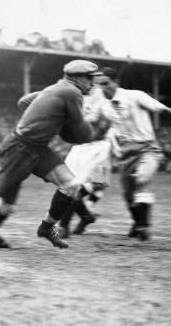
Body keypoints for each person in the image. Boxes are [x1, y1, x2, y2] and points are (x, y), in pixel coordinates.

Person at [0, 59, 105, 249]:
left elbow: (23, 102)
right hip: (19, 149)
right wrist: (97, 131)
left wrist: (50, 117)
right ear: (76, 77)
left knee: (71, 185)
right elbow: (81, 133)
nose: (92, 83)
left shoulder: (55, 88)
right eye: (89, 78)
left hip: (37, 148)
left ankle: (46, 227)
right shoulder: (72, 92)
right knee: (6, 205)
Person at [92, 67, 171, 241]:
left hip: (148, 149)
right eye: (99, 86)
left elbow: (162, 108)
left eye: (106, 84)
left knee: (141, 179)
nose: (103, 89)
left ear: (115, 82)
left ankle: (143, 226)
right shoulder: (104, 107)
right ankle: (137, 223)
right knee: (127, 194)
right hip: (125, 154)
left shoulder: (135, 96)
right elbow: (99, 126)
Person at [57, 86, 121, 238]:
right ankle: (85, 216)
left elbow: (107, 124)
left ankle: (64, 225)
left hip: (96, 149)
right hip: (80, 148)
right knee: (67, 185)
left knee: (75, 188)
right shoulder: (78, 98)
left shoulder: (103, 102)